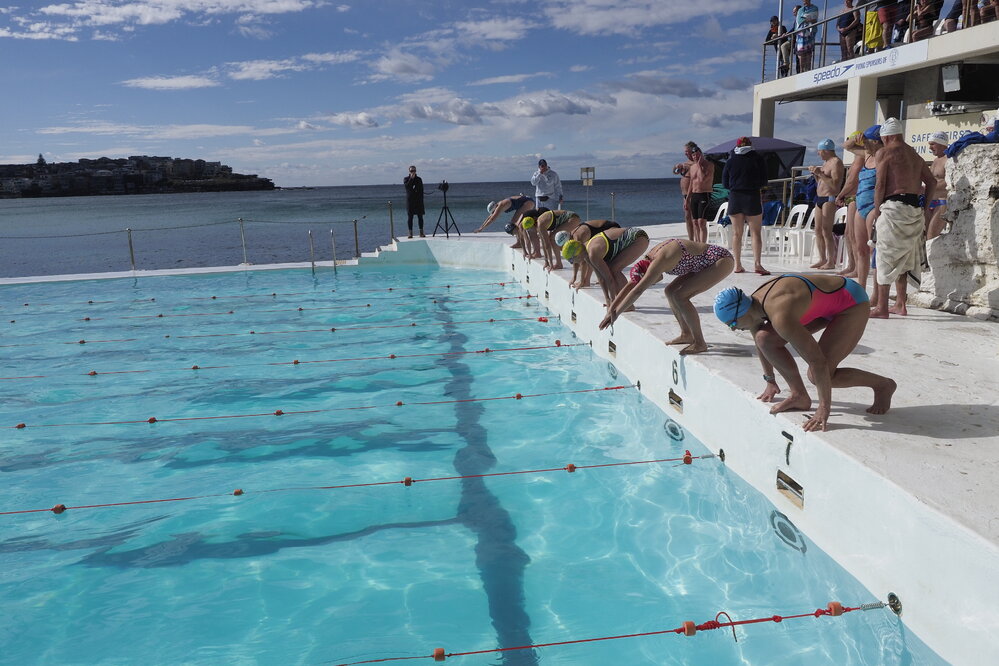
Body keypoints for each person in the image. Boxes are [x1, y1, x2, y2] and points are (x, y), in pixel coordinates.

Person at [714, 275, 897, 432]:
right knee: (765, 339)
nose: (733, 330)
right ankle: (799, 396)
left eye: (731, 325)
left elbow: (817, 361)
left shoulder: (780, 315)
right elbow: (760, 343)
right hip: (822, 306)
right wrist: (770, 381)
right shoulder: (752, 307)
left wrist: (823, 410)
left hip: (851, 303)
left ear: (740, 315)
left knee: (819, 375)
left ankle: (883, 385)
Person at [598, 239, 734, 354]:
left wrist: (615, 316)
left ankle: (700, 343)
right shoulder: (649, 259)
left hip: (720, 261)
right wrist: (611, 310)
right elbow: (631, 286)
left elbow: (637, 291)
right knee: (670, 291)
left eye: (651, 281)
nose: (653, 283)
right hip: (701, 264)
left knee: (681, 296)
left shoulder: (659, 261)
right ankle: (686, 334)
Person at [871, 117, 936, 318]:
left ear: (888, 136)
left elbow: (880, 184)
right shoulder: (914, 155)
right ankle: (900, 304)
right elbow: (931, 182)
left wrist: (877, 210)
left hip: (893, 208)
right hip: (914, 210)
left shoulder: (885, 152)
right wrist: (925, 209)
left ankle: (882, 308)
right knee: (904, 259)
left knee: (885, 257)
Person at [561, 227, 650, 305]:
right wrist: (607, 299)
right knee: (611, 269)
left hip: (638, 238)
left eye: (572, 260)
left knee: (614, 269)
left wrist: (612, 301)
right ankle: (621, 302)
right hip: (634, 237)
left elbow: (609, 279)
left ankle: (627, 304)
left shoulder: (592, 253)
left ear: (577, 254)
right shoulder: (587, 255)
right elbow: (601, 279)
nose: (573, 263)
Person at [722, 137, 770, 275]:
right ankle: (758, 264)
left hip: (735, 197)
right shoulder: (758, 159)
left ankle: (737, 265)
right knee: (755, 233)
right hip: (752, 197)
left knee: (737, 234)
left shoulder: (730, 161)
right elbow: (764, 181)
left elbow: (725, 183)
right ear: (750, 145)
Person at [808, 139, 845, 269]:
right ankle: (822, 258)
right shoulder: (826, 163)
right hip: (819, 198)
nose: (818, 154)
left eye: (819, 151)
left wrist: (820, 174)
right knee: (817, 229)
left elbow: (835, 185)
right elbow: (821, 182)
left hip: (829, 198)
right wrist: (816, 175)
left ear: (826, 150)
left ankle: (830, 261)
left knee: (826, 231)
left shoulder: (836, 163)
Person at [834, 130, 866, 277]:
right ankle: (852, 265)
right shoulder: (857, 158)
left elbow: (852, 181)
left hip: (855, 198)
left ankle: (857, 267)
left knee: (853, 235)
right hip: (852, 198)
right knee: (848, 234)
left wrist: (840, 194)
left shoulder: (860, 159)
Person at [557, 219, 622, 288]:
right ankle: (596, 280)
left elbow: (583, 261)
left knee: (593, 257)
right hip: (602, 232)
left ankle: (588, 281)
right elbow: (574, 258)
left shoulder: (578, 238)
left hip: (612, 229)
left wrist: (583, 281)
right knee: (591, 256)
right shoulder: (572, 237)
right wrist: (574, 277)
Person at [686, 142, 714, 244]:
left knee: (701, 222)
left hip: (704, 194)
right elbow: (691, 184)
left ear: (701, 155)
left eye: (697, 155)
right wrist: (687, 199)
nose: (695, 157)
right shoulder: (692, 168)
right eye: (693, 155)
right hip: (695, 195)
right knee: (695, 222)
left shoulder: (709, 165)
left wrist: (699, 165)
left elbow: (702, 179)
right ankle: (697, 244)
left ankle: (703, 245)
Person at [925, 131, 950, 239]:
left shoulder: (948, 159)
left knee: (931, 235)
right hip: (930, 200)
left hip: (942, 201)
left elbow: (948, 182)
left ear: (941, 143)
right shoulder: (935, 161)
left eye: (932, 144)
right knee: (925, 236)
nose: (930, 148)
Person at [674, 152, 695, 239]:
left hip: (692, 194)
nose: (686, 153)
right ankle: (691, 239)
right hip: (685, 194)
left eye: (687, 151)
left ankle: (697, 239)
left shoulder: (695, 164)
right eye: (685, 152)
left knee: (694, 218)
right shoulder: (685, 164)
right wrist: (676, 167)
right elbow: (675, 172)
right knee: (687, 217)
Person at [795, 0, 819, 72]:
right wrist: (807, 17)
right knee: (801, 53)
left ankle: (808, 70)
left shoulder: (814, 8)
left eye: (805, 1)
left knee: (809, 52)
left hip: (810, 33)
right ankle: (802, 70)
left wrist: (805, 17)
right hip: (801, 34)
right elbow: (799, 20)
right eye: (803, 1)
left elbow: (814, 18)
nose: (804, 2)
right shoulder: (800, 10)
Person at [403, 165, 425, 238]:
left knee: (420, 217)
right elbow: (407, 186)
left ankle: (421, 232)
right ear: (409, 171)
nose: (413, 172)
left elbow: (421, 189)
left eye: (414, 171)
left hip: (418, 200)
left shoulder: (419, 179)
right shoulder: (406, 179)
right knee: (410, 217)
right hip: (410, 201)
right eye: (411, 171)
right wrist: (411, 179)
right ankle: (410, 233)